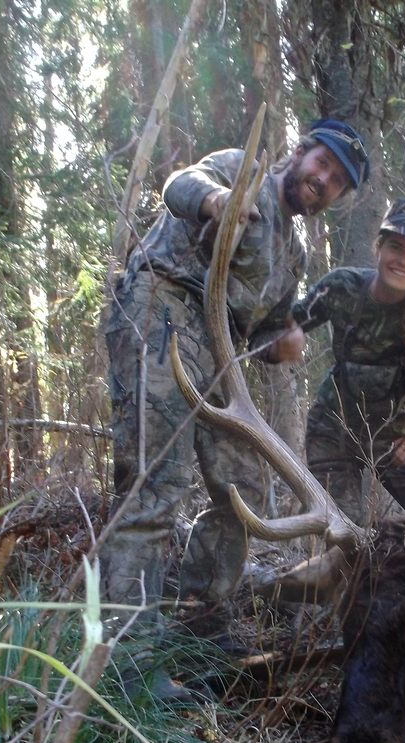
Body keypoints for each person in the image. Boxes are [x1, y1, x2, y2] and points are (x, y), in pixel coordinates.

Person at [101, 119, 371, 640]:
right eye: (323, 163)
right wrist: (218, 202)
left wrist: (284, 343)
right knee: (152, 486)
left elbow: (266, 332)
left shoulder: (294, 255)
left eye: (337, 180)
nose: (324, 180)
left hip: (220, 356)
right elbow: (180, 185)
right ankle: (129, 657)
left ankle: (201, 625)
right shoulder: (241, 172)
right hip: (162, 312)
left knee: (243, 488)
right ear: (299, 152)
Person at [293, 197, 405, 534]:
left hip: (398, 437)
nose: (404, 261)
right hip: (333, 432)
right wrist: (288, 335)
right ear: (378, 248)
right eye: (396, 247)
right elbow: (286, 325)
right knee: (344, 535)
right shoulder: (341, 286)